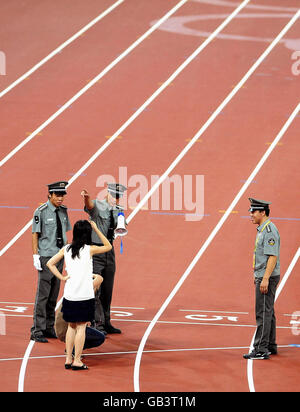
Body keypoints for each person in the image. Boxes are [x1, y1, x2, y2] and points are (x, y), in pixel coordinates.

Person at [47, 220, 111, 370]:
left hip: (69, 295)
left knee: (71, 326)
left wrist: (62, 277)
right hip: (84, 296)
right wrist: (96, 228)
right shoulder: (89, 249)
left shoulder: (66, 249)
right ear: (88, 234)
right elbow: (108, 246)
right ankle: (77, 360)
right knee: (81, 327)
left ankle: (68, 359)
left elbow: (50, 263)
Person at [81, 183, 127, 335]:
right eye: (114, 195)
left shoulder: (119, 210)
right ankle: (97, 323)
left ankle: (106, 321)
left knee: (108, 288)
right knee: (96, 289)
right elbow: (89, 206)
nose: (116, 199)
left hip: (109, 250)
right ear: (107, 193)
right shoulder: (98, 205)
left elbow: (120, 227)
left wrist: (120, 221)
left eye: (118, 196)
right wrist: (86, 198)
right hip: (96, 250)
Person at [30, 181, 71, 343]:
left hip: (59, 256)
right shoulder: (40, 212)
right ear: (50, 195)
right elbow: (35, 234)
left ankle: (48, 326)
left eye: (62, 195)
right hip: (47, 257)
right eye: (57, 195)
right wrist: (36, 256)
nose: (60, 198)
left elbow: (64, 233)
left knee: (54, 294)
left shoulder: (63, 212)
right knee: (43, 294)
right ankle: (37, 329)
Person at [243, 198, 280, 360]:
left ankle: (260, 348)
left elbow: (272, 256)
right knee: (268, 311)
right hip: (264, 275)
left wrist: (264, 279)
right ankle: (270, 345)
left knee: (263, 312)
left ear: (262, 212)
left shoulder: (269, 231)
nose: (250, 214)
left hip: (267, 277)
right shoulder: (263, 229)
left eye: (253, 211)